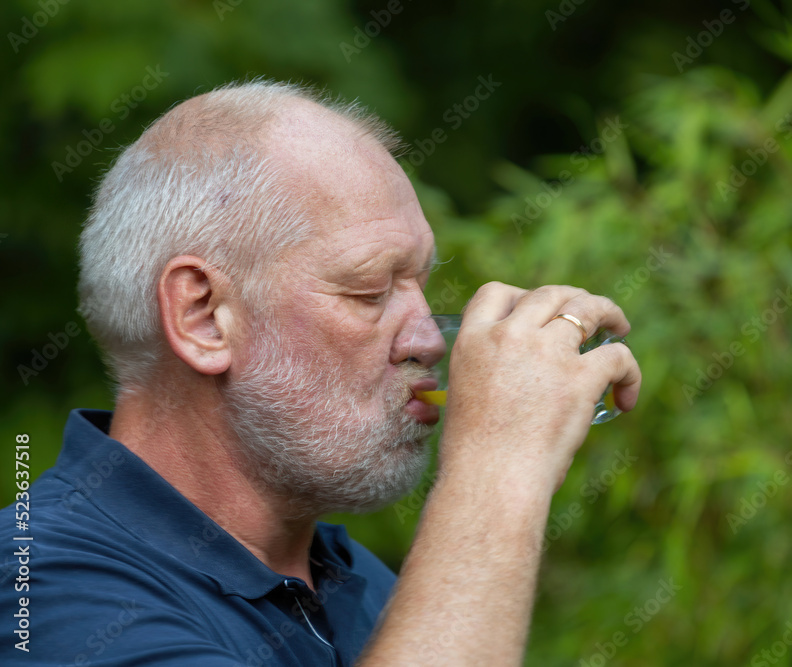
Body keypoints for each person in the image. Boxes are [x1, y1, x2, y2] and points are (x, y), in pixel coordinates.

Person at [1, 80, 641, 666]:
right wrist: (501, 466)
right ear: (202, 316)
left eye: (418, 284)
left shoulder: (354, 583)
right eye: (369, 291)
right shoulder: (40, 588)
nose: (428, 338)